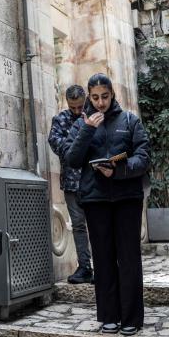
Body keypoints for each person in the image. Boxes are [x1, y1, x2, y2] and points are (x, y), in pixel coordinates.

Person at [64, 73, 150, 336]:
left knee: (129, 257)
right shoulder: (81, 124)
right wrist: (88, 128)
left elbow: (144, 157)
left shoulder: (130, 120)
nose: (100, 102)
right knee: (103, 259)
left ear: (112, 95)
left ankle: (132, 317)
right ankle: (109, 316)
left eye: (105, 96)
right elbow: (72, 159)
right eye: (95, 97)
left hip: (127, 198)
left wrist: (119, 170)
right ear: (89, 98)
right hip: (96, 199)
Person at [48, 84, 94, 284]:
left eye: (80, 106)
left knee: (98, 225)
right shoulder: (60, 120)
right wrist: (80, 142)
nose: (77, 111)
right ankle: (84, 267)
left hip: (94, 180)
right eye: (73, 107)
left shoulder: (94, 115)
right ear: (67, 103)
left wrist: (75, 143)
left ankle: (104, 266)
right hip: (71, 182)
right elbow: (58, 145)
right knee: (78, 226)